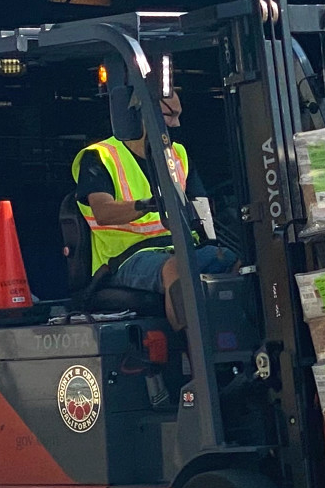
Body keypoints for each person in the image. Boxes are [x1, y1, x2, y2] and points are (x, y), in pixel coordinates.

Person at [73, 86, 233, 329]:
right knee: (177, 268)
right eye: (170, 116)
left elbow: (200, 206)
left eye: (178, 115)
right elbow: (103, 212)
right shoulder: (100, 156)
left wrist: (212, 236)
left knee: (234, 260)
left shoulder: (178, 154)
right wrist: (149, 204)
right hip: (125, 258)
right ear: (140, 115)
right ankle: (194, 347)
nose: (177, 124)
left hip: (179, 246)